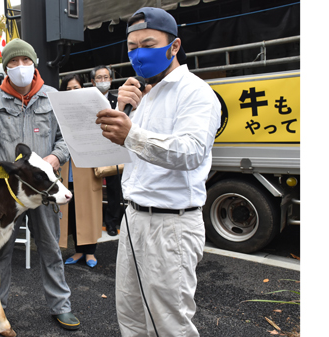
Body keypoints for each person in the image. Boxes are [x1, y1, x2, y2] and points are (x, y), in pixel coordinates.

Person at [95, 7, 221, 337]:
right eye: (132, 47)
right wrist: (119, 111)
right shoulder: (142, 96)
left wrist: (131, 133)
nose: (139, 54)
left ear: (174, 46)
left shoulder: (196, 93)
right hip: (134, 219)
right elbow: (122, 151)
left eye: (148, 44)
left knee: (169, 324)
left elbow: (191, 151)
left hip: (172, 225)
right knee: (131, 316)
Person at [0, 38, 80, 333]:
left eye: (25, 61)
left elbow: (66, 138)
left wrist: (55, 157)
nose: (20, 67)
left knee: (50, 247)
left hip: (42, 190)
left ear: (34, 63)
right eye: (13, 63)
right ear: (5, 68)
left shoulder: (52, 97)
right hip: (5, 193)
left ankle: (61, 306)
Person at [58, 74, 102, 268]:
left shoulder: (91, 109)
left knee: (89, 210)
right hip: (67, 170)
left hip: (87, 168)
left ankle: (90, 252)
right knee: (73, 211)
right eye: (68, 89)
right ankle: (78, 250)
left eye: (76, 88)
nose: (72, 92)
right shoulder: (59, 113)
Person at [90, 65, 124, 237]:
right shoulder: (88, 100)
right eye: (99, 78)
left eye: (105, 77)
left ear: (111, 80)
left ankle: (111, 222)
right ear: (92, 81)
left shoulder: (118, 101)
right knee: (91, 188)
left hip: (111, 149)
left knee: (113, 188)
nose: (102, 81)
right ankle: (92, 223)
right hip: (92, 149)